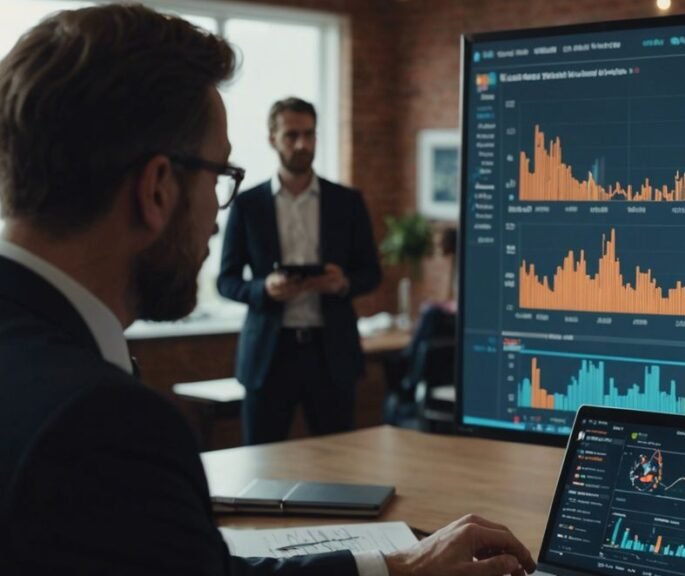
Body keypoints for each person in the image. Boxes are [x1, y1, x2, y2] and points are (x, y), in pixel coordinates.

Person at [0, 5, 535, 576]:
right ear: (157, 189)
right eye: (220, 175)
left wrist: (396, 567)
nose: (214, 214)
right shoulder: (106, 423)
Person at [218, 97, 382, 445]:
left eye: (309, 134)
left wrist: (342, 284)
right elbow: (226, 280)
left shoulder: (347, 201)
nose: (302, 144)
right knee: (260, 462)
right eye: (292, 135)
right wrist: (264, 289)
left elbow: (372, 273)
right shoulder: (248, 205)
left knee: (340, 463)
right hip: (269, 355)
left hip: (331, 353)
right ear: (272, 139)